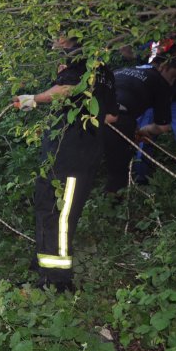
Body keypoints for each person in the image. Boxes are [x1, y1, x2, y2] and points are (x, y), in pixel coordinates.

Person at [12, 36, 117, 291]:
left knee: (59, 215)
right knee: (49, 209)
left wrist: (30, 99)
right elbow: (112, 116)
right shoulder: (105, 72)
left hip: (69, 156)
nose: (52, 42)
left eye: (56, 37)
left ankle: (58, 282)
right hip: (72, 155)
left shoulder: (78, 62)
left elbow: (66, 90)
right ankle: (45, 271)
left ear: (66, 39)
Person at [103, 55, 176, 193]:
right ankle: (111, 205)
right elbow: (162, 126)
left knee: (85, 166)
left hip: (90, 114)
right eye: (172, 76)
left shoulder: (123, 69)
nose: (172, 82)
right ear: (162, 67)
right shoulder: (161, 83)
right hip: (119, 119)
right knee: (118, 173)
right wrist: (144, 130)